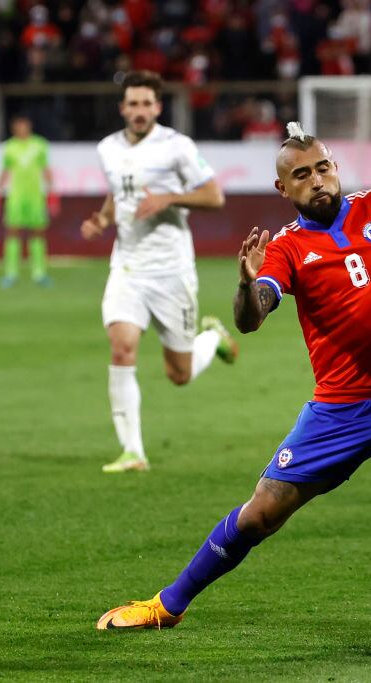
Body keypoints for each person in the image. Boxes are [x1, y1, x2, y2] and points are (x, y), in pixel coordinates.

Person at [95, 123, 371, 631]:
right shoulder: (285, 248)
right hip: (340, 409)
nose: (317, 180)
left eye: (323, 168)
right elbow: (251, 315)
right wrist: (245, 286)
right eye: (302, 175)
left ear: (336, 168)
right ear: (284, 190)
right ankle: (167, 604)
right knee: (261, 513)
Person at [80, 70, 236, 474]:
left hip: (172, 270)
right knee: (121, 346)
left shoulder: (177, 147)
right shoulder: (107, 148)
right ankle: (133, 451)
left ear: (158, 107)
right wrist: (102, 218)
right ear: (122, 108)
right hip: (128, 265)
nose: (139, 111)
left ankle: (210, 337)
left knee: (178, 374)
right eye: (132, 104)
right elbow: (119, 190)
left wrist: (169, 198)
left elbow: (214, 195)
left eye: (147, 104)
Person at [0, 114, 59, 288]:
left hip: (35, 196)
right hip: (16, 197)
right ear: (14, 128)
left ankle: (39, 273)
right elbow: (5, 171)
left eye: (25, 125)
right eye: (19, 126)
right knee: (13, 232)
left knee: (38, 232)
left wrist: (52, 195)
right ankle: (11, 274)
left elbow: (46, 170)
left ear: (29, 126)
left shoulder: (39, 145)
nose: (22, 129)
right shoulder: (9, 147)